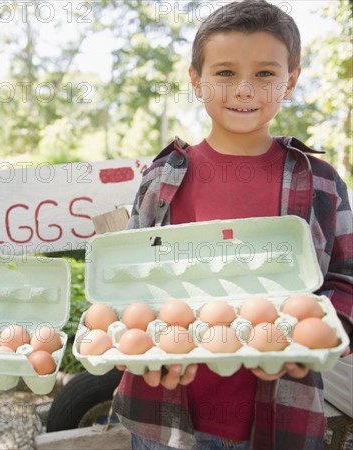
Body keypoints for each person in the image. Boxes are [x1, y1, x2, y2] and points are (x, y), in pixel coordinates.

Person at [112, 1, 353, 449]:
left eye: (265, 74)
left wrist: (315, 337)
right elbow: (131, 282)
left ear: (291, 81)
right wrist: (143, 347)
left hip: (282, 413)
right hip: (163, 413)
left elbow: (346, 279)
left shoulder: (320, 183)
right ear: (196, 81)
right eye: (224, 73)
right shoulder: (161, 179)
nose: (244, 89)